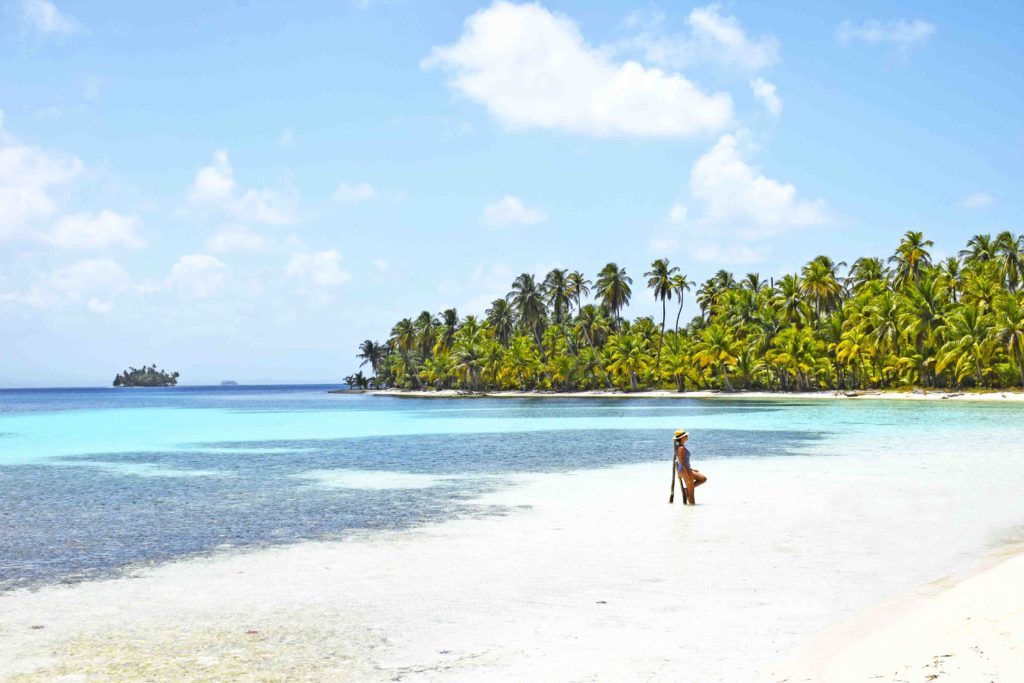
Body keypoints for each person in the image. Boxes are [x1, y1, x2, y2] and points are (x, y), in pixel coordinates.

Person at [673, 429, 707, 505]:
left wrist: (691, 469)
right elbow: (683, 463)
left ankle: (686, 490)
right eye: (686, 435)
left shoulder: (680, 446)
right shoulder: (681, 448)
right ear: (682, 438)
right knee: (691, 494)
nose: (687, 436)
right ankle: (691, 510)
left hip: (685, 470)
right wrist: (688, 474)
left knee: (703, 479)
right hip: (684, 471)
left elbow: (684, 462)